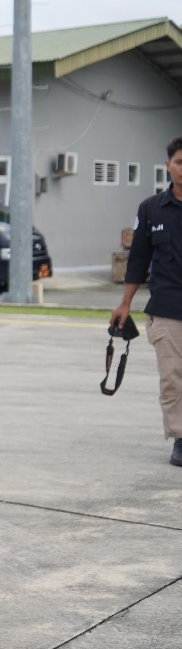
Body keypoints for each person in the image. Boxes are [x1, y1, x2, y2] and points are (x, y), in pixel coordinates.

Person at [113, 136, 182, 467]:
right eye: (180, 162)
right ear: (168, 166)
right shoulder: (150, 209)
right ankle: (180, 438)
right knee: (172, 377)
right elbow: (138, 259)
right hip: (167, 309)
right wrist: (125, 304)